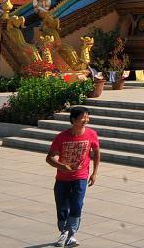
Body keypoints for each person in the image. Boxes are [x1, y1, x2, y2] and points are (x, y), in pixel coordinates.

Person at [46, 106, 100, 247]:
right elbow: (49, 158)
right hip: (62, 179)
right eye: (83, 117)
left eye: (87, 117)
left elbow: (96, 152)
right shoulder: (61, 137)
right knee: (62, 206)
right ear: (74, 120)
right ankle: (63, 232)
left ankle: (71, 234)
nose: (86, 120)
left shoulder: (92, 134)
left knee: (77, 204)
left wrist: (94, 173)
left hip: (80, 177)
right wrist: (62, 166)